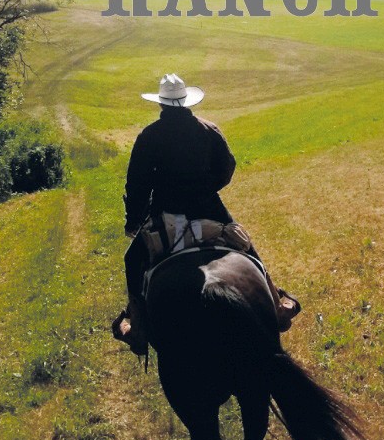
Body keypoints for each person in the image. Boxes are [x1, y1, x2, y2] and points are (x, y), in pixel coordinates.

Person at [113, 73, 300, 355]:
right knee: (247, 248)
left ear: (161, 104)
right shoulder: (208, 129)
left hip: (166, 215)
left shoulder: (149, 136)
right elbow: (227, 168)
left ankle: (138, 328)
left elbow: (136, 184)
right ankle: (275, 305)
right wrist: (205, 189)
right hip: (210, 210)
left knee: (132, 260)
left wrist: (135, 218)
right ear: (187, 101)